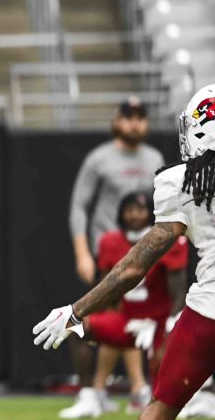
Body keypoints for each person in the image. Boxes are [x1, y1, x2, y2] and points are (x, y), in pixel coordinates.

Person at [33, 84, 215, 420]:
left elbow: (134, 266)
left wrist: (75, 310)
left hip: (209, 313)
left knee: (163, 403)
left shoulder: (182, 182)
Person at [56, 191, 188, 420]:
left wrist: (170, 322)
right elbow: (106, 285)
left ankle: (186, 400)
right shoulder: (110, 241)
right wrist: (87, 312)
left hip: (157, 321)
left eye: (140, 209)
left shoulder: (167, 239)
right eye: (129, 210)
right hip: (127, 320)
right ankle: (89, 397)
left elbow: (178, 286)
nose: (134, 215)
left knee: (163, 370)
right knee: (75, 326)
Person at [70, 98, 164, 286]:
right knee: (106, 313)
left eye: (140, 118)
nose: (135, 123)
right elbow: (79, 206)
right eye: (129, 117)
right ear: (116, 121)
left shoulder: (155, 159)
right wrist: (82, 255)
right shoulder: (98, 159)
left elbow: (163, 207)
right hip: (106, 253)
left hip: (143, 252)